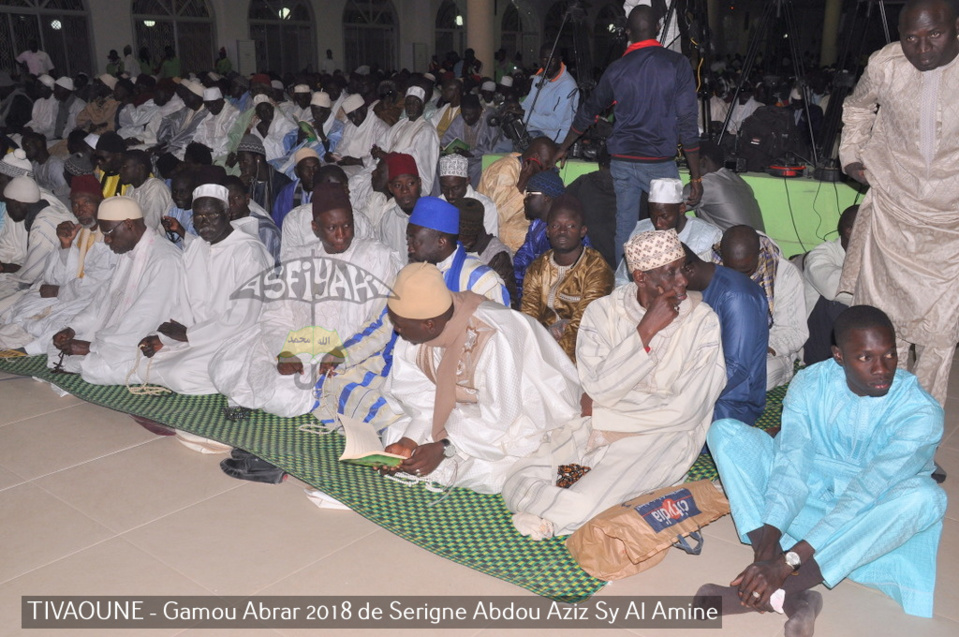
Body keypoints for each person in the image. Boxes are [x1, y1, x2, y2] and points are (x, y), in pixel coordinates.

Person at [700, 305, 946, 629]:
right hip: (806, 492)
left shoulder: (921, 412)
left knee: (926, 498)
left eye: (889, 355)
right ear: (839, 356)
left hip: (866, 517)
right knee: (725, 433)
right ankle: (777, 574)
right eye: (865, 358)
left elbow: (867, 491)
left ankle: (786, 589)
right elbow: (793, 465)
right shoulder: (809, 383)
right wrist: (769, 558)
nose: (881, 369)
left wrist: (788, 564)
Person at [502, 229, 726, 539]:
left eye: (682, 268)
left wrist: (607, 414)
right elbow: (597, 388)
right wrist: (644, 332)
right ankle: (556, 496)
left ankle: (553, 512)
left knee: (586, 501)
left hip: (661, 434)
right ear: (640, 277)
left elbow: (686, 409)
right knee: (518, 474)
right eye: (670, 272)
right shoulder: (603, 313)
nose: (683, 281)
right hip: (598, 425)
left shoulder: (703, 322)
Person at [839, 0, 959, 405]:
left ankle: (917, 438)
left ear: (956, 27)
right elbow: (856, 107)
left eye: (935, 35)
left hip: (951, 228)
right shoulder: (886, 64)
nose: (922, 48)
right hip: (891, 212)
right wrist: (852, 154)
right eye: (911, 38)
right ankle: (877, 425)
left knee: (939, 339)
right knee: (882, 331)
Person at [380, 262, 582, 494]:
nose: (396, 330)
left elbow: (502, 418)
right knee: (395, 437)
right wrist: (410, 440)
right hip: (464, 414)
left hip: (525, 413)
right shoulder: (415, 335)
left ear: (429, 324)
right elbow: (420, 398)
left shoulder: (493, 338)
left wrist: (445, 446)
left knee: (492, 472)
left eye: (399, 325)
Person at [211, 183, 400, 420]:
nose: (341, 234)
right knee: (224, 364)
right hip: (297, 344)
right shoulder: (298, 258)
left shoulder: (375, 257)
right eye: (332, 228)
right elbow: (275, 314)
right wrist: (285, 352)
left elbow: (382, 321)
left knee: (284, 396)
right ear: (315, 228)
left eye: (347, 225)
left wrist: (340, 355)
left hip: (344, 352)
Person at [553, 5, 702, 265]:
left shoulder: (616, 69)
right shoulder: (676, 64)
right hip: (658, 162)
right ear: (657, 28)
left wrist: (564, 147)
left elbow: (588, 111)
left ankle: (624, 282)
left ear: (627, 32)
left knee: (625, 228)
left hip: (621, 161)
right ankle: (669, 281)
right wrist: (696, 175)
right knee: (671, 227)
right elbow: (688, 122)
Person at [134, 184, 272, 395]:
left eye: (211, 215)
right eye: (198, 216)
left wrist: (190, 335)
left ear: (227, 213)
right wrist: (165, 339)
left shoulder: (249, 252)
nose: (204, 222)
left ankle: (236, 374)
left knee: (180, 375)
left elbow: (245, 316)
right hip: (199, 335)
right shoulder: (196, 249)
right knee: (144, 364)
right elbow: (186, 303)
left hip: (238, 338)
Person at [47, 196, 190, 384]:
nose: (106, 240)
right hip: (115, 338)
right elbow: (103, 300)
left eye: (109, 233)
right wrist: (73, 328)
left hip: (143, 340)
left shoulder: (165, 260)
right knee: (56, 348)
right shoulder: (128, 251)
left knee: (98, 369)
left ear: (129, 224)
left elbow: (145, 320)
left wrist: (91, 348)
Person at [0, 175, 117, 352]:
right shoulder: (76, 231)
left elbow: (100, 283)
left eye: (87, 203)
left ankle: (27, 348)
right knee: (20, 309)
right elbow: (54, 276)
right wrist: (65, 245)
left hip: (92, 299)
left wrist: (60, 290)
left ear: (100, 202)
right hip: (67, 294)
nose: (80, 210)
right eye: (76, 204)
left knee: (59, 325)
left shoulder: (112, 237)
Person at [682, 244, 768, 424]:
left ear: (688, 270)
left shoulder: (737, 297)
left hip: (730, 403)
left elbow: (735, 368)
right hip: (695, 385)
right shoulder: (692, 287)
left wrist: (685, 396)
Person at [520, 195, 613, 363]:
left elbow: (584, 325)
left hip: (584, 353)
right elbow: (528, 318)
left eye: (570, 226)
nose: (562, 231)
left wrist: (548, 358)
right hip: (542, 345)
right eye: (556, 225)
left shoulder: (596, 268)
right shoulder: (538, 268)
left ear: (583, 230)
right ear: (547, 231)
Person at [715, 225, 807, 390]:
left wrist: (751, 348)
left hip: (766, 351)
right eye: (732, 271)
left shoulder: (785, 275)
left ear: (759, 254)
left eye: (745, 271)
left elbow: (794, 331)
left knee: (756, 377)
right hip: (719, 347)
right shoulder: (710, 264)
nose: (739, 279)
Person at [614, 177, 721, 285]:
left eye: (664, 216)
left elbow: (716, 283)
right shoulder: (641, 230)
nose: (658, 223)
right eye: (653, 216)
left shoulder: (708, 236)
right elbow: (621, 279)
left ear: (681, 209)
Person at [406, 196, 509, 305]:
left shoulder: (481, 280)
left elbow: (497, 321)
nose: (409, 248)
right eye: (408, 239)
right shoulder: (414, 272)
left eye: (415, 241)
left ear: (441, 242)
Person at [0, 176, 74, 311]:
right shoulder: (42, 213)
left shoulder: (44, 225)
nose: (8, 212)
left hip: (62, 285)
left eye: (8, 204)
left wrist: (5, 270)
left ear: (17, 203)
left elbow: (29, 277)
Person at [478, 136, 557, 252]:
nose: (547, 170)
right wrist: (522, 183)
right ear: (534, 158)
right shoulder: (505, 169)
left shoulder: (533, 171)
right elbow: (496, 216)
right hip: (494, 232)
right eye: (546, 165)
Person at [803, 205, 858, 365]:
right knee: (835, 304)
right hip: (817, 344)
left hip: (850, 337)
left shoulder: (871, 254)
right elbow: (836, 289)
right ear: (849, 231)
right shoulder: (820, 255)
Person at [688, 139, 765, 232]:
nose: (689, 169)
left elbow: (669, 207)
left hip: (735, 245)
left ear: (703, 161)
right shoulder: (740, 181)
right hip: (760, 244)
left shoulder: (706, 184)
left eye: (690, 163)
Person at [513, 170, 566, 301]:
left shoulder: (563, 235)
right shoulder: (537, 225)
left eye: (530, 194)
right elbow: (521, 262)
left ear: (546, 198)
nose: (525, 199)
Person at [454, 197, 516, 303]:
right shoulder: (446, 244)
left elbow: (508, 300)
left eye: (465, 239)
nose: (461, 243)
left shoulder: (497, 256)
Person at [381, 86, 440, 195]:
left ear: (422, 106)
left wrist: (386, 156)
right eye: (408, 103)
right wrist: (377, 150)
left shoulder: (427, 130)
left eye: (415, 103)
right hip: (388, 169)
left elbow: (416, 160)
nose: (411, 106)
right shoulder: (401, 124)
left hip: (407, 178)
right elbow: (382, 142)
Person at [565, 147, 617, 268]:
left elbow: (561, 206)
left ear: (599, 164)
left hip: (590, 262)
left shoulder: (583, 182)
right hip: (624, 261)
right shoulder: (636, 188)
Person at [521, 45, 580, 143]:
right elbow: (529, 104)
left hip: (554, 138)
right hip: (535, 130)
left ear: (560, 60)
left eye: (551, 60)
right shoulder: (539, 78)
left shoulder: (567, 85)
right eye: (544, 60)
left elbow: (555, 123)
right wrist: (516, 109)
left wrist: (524, 115)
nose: (547, 64)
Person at [439, 93, 500, 187]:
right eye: (464, 114)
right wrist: (448, 149)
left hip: (481, 159)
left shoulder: (490, 118)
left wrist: (471, 153)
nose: (466, 118)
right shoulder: (460, 119)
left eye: (470, 115)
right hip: (462, 158)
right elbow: (447, 140)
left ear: (479, 110)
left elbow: (493, 146)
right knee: (440, 163)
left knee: (478, 168)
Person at [223, 175, 280, 266]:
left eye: (237, 198)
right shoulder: (221, 227)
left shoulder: (263, 229)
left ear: (247, 199)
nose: (231, 204)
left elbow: (267, 270)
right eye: (226, 199)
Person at [437, 153, 498, 237]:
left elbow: (490, 243)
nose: (450, 195)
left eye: (455, 188)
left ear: (467, 181)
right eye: (445, 188)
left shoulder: (486, 206)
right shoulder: (437, 205)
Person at [235, 134, 291, 218]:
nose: (241, 166)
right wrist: (240, 188)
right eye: (240, 163)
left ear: (258, 159)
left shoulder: (282, 183)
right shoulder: (246, 183)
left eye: (245, 161)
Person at [119, 150, 172, 234]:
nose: (120, 171)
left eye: (125, 167)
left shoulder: (155, 188)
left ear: (140, 168)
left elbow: (149, 226)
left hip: (155, 242)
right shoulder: (130, 189)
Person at [155, 80, 210, 160]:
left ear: (197, 97)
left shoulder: (205, 115)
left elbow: (189, 136)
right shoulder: (186, 110)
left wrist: (169, 147)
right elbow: (168, 121)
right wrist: (164, 141)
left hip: (189, 152)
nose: (184, 97)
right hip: (173, 147)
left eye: (188, 95)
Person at [25, 76, 84, 143]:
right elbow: (54, 128)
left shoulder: (80, 106)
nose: (54, 91)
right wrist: (42, 137)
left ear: (65, 90)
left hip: (72, 141)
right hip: (57, 140)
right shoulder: (57, 106)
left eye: (57, 89)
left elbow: (80, 130)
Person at [192, 86, 239, 163]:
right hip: (204, 153)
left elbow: (230, 143)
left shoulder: (234, 114)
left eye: (211, 105)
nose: (209, 109)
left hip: (221, 156)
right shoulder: (209, 116)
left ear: (220, 101)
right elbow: (199, 133)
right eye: (207, 106)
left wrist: (211, 150)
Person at [21, 131, 67, 203]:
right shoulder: (34, 165)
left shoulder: (55, 166)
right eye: (24, 148)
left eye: (27, 146)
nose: (25, 150)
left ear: (39, 143)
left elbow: (66, 190)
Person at [248, 94, 296, 162]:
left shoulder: (285, 123)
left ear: (272, 108)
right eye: (261, 111)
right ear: (258, 115)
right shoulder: (256, 128)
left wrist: (265, 135)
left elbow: (282, 153)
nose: (265, 113)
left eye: (267, 109)